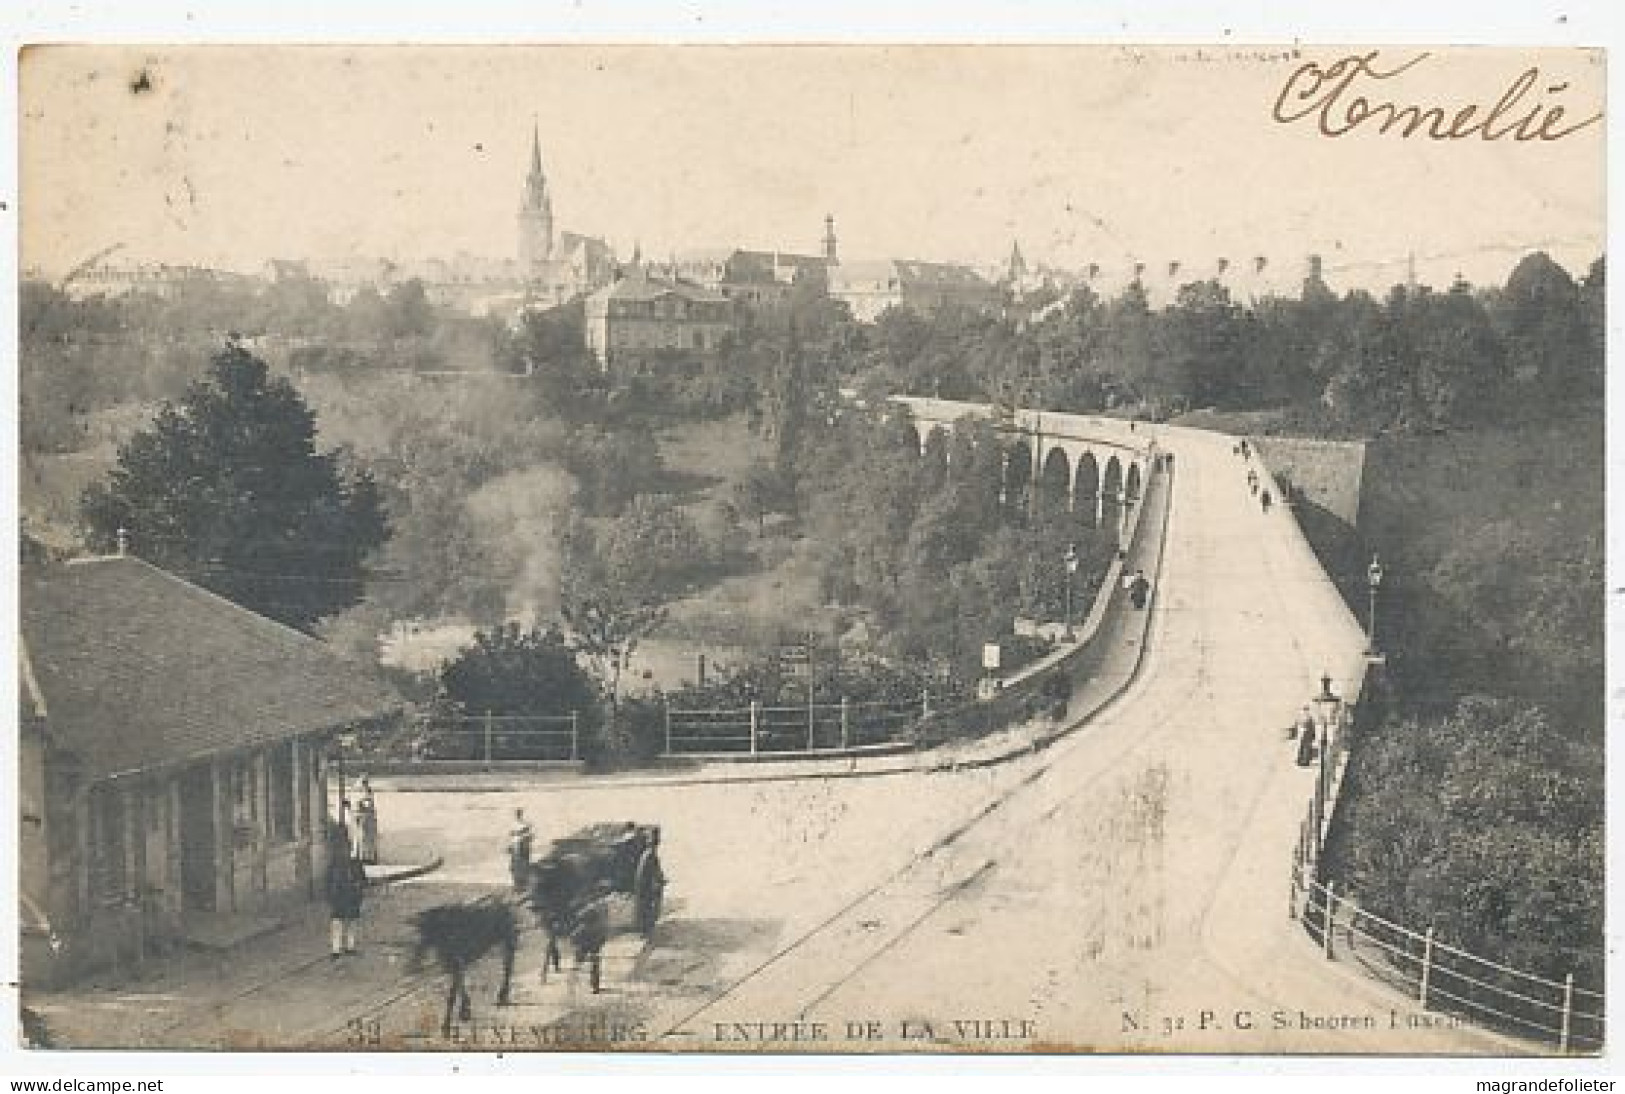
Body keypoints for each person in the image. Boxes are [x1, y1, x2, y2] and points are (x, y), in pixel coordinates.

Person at [325, 822, 367, 958]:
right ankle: (337, 949)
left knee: (350, 922)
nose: (344, 852)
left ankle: (348, 946)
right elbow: (328, 882)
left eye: (346, 849)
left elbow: (362, 880)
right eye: (341, 849)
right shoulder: (335, 865)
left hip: (350, 896)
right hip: (340, 896)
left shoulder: (354, 864)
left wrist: (359, 888)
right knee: (338, 922)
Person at [354, 776, 379, 865]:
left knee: (366, 838)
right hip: (364, 818)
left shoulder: (368, 793)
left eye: (364, 783)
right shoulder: (363, 793)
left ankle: (368, 858)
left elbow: (367, 805)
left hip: (367, 818)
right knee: (362, 838)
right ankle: (364, 857)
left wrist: (360, 804)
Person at [509, 808, 535, 892]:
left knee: (521, 866)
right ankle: (518, 885)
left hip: (521, 848)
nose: (518, 815)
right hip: (517, 848)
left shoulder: (524, 824)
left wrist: (522, 835)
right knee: (516, 866)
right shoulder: (516, 825)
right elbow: (512, 835)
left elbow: (530, 836)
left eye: (519, 814)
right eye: (517, 814)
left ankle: (522, 884)